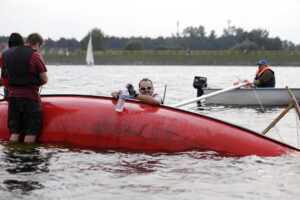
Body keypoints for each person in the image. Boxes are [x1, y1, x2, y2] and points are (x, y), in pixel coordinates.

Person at [2, 33, 48, 143]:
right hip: (29, 98)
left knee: (14, 131)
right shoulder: (34, 55)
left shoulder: (6, 54)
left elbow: (4, 77)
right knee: (31, 131)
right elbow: (45, 79)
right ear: (37, 44)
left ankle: (13, 156)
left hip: (12, 97)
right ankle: (28, 157)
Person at [0, 33, 25, 98]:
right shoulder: (26, 55)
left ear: (9, 43)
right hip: (24, 90)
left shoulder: (4, 55)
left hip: (9, 90)